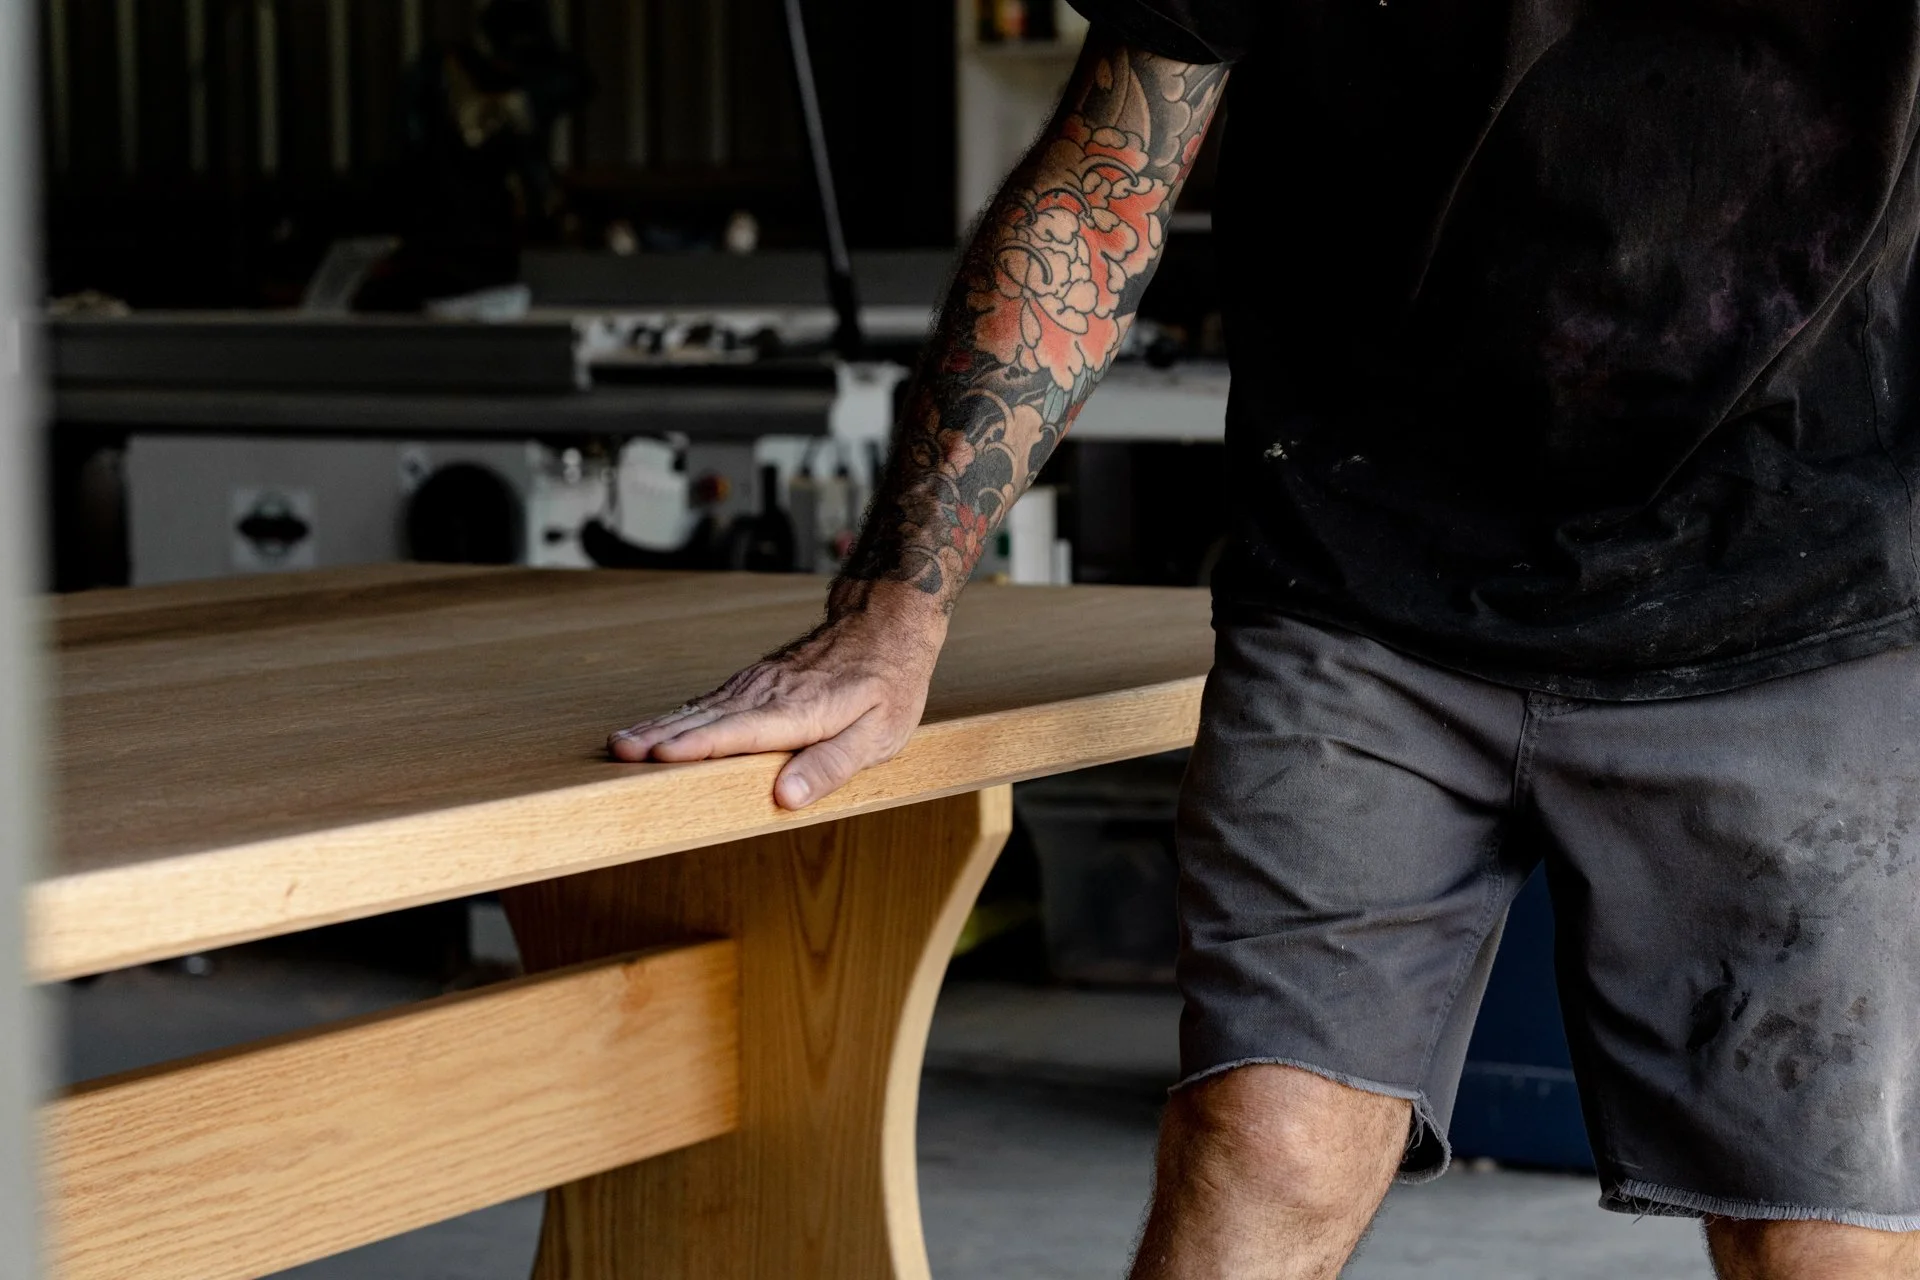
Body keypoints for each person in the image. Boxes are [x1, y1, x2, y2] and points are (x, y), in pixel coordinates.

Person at [611, 3, 1920, 1275]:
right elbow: (1099, 189)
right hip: (1365, 587)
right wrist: (895, 606)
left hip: (1799, 600)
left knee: (1825, 1236)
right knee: (1266, 1146)